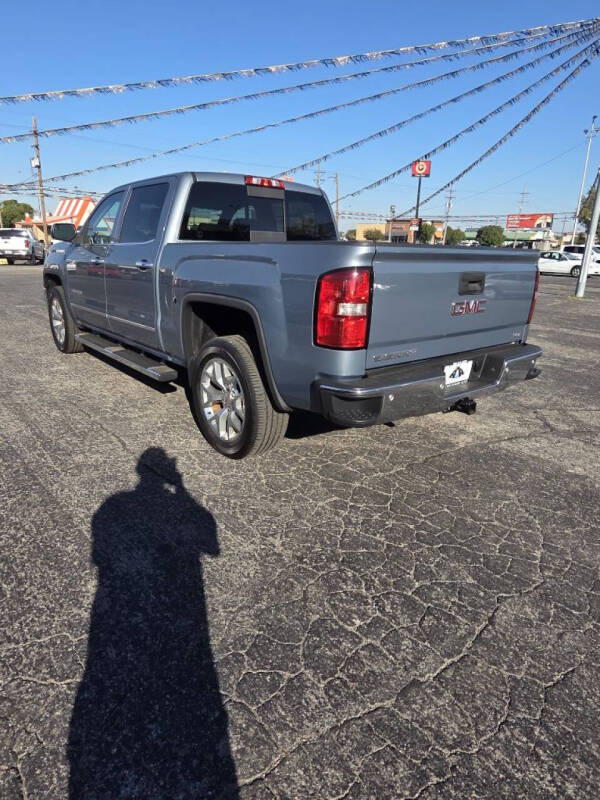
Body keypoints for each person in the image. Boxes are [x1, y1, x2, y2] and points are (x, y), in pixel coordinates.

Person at [68, 448, 238, 798]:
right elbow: (211, 545)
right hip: (186, 609)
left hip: (116, 614)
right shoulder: (180, 509)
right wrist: (184, 491)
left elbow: (100, 558)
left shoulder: (112, 507)